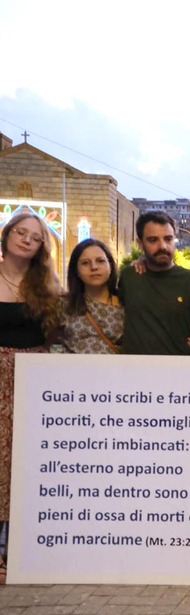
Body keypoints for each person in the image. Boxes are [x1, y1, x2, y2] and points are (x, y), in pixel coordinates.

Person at [0, 211, 62, 585]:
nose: (26, 240)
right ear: (7, 236)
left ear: (41, 246)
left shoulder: (47, 286)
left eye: (34, 237)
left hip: (33, 379)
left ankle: (19, 549)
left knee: (25, 463)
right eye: (20, 232)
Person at [119, 211, 190, 355]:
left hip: (177, 371)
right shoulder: (129, 277)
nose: (163, 246)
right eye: (153, 240)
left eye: (168, 239)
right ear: (140, 243)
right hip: (131, 371)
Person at [61, 239, 123, 354]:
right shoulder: (64, 304)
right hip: (72, 370)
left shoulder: (126, 304)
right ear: (76, 271)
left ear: (110, 265)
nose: (94, 267)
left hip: (115, 370)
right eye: (85, 263)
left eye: (100, 261)